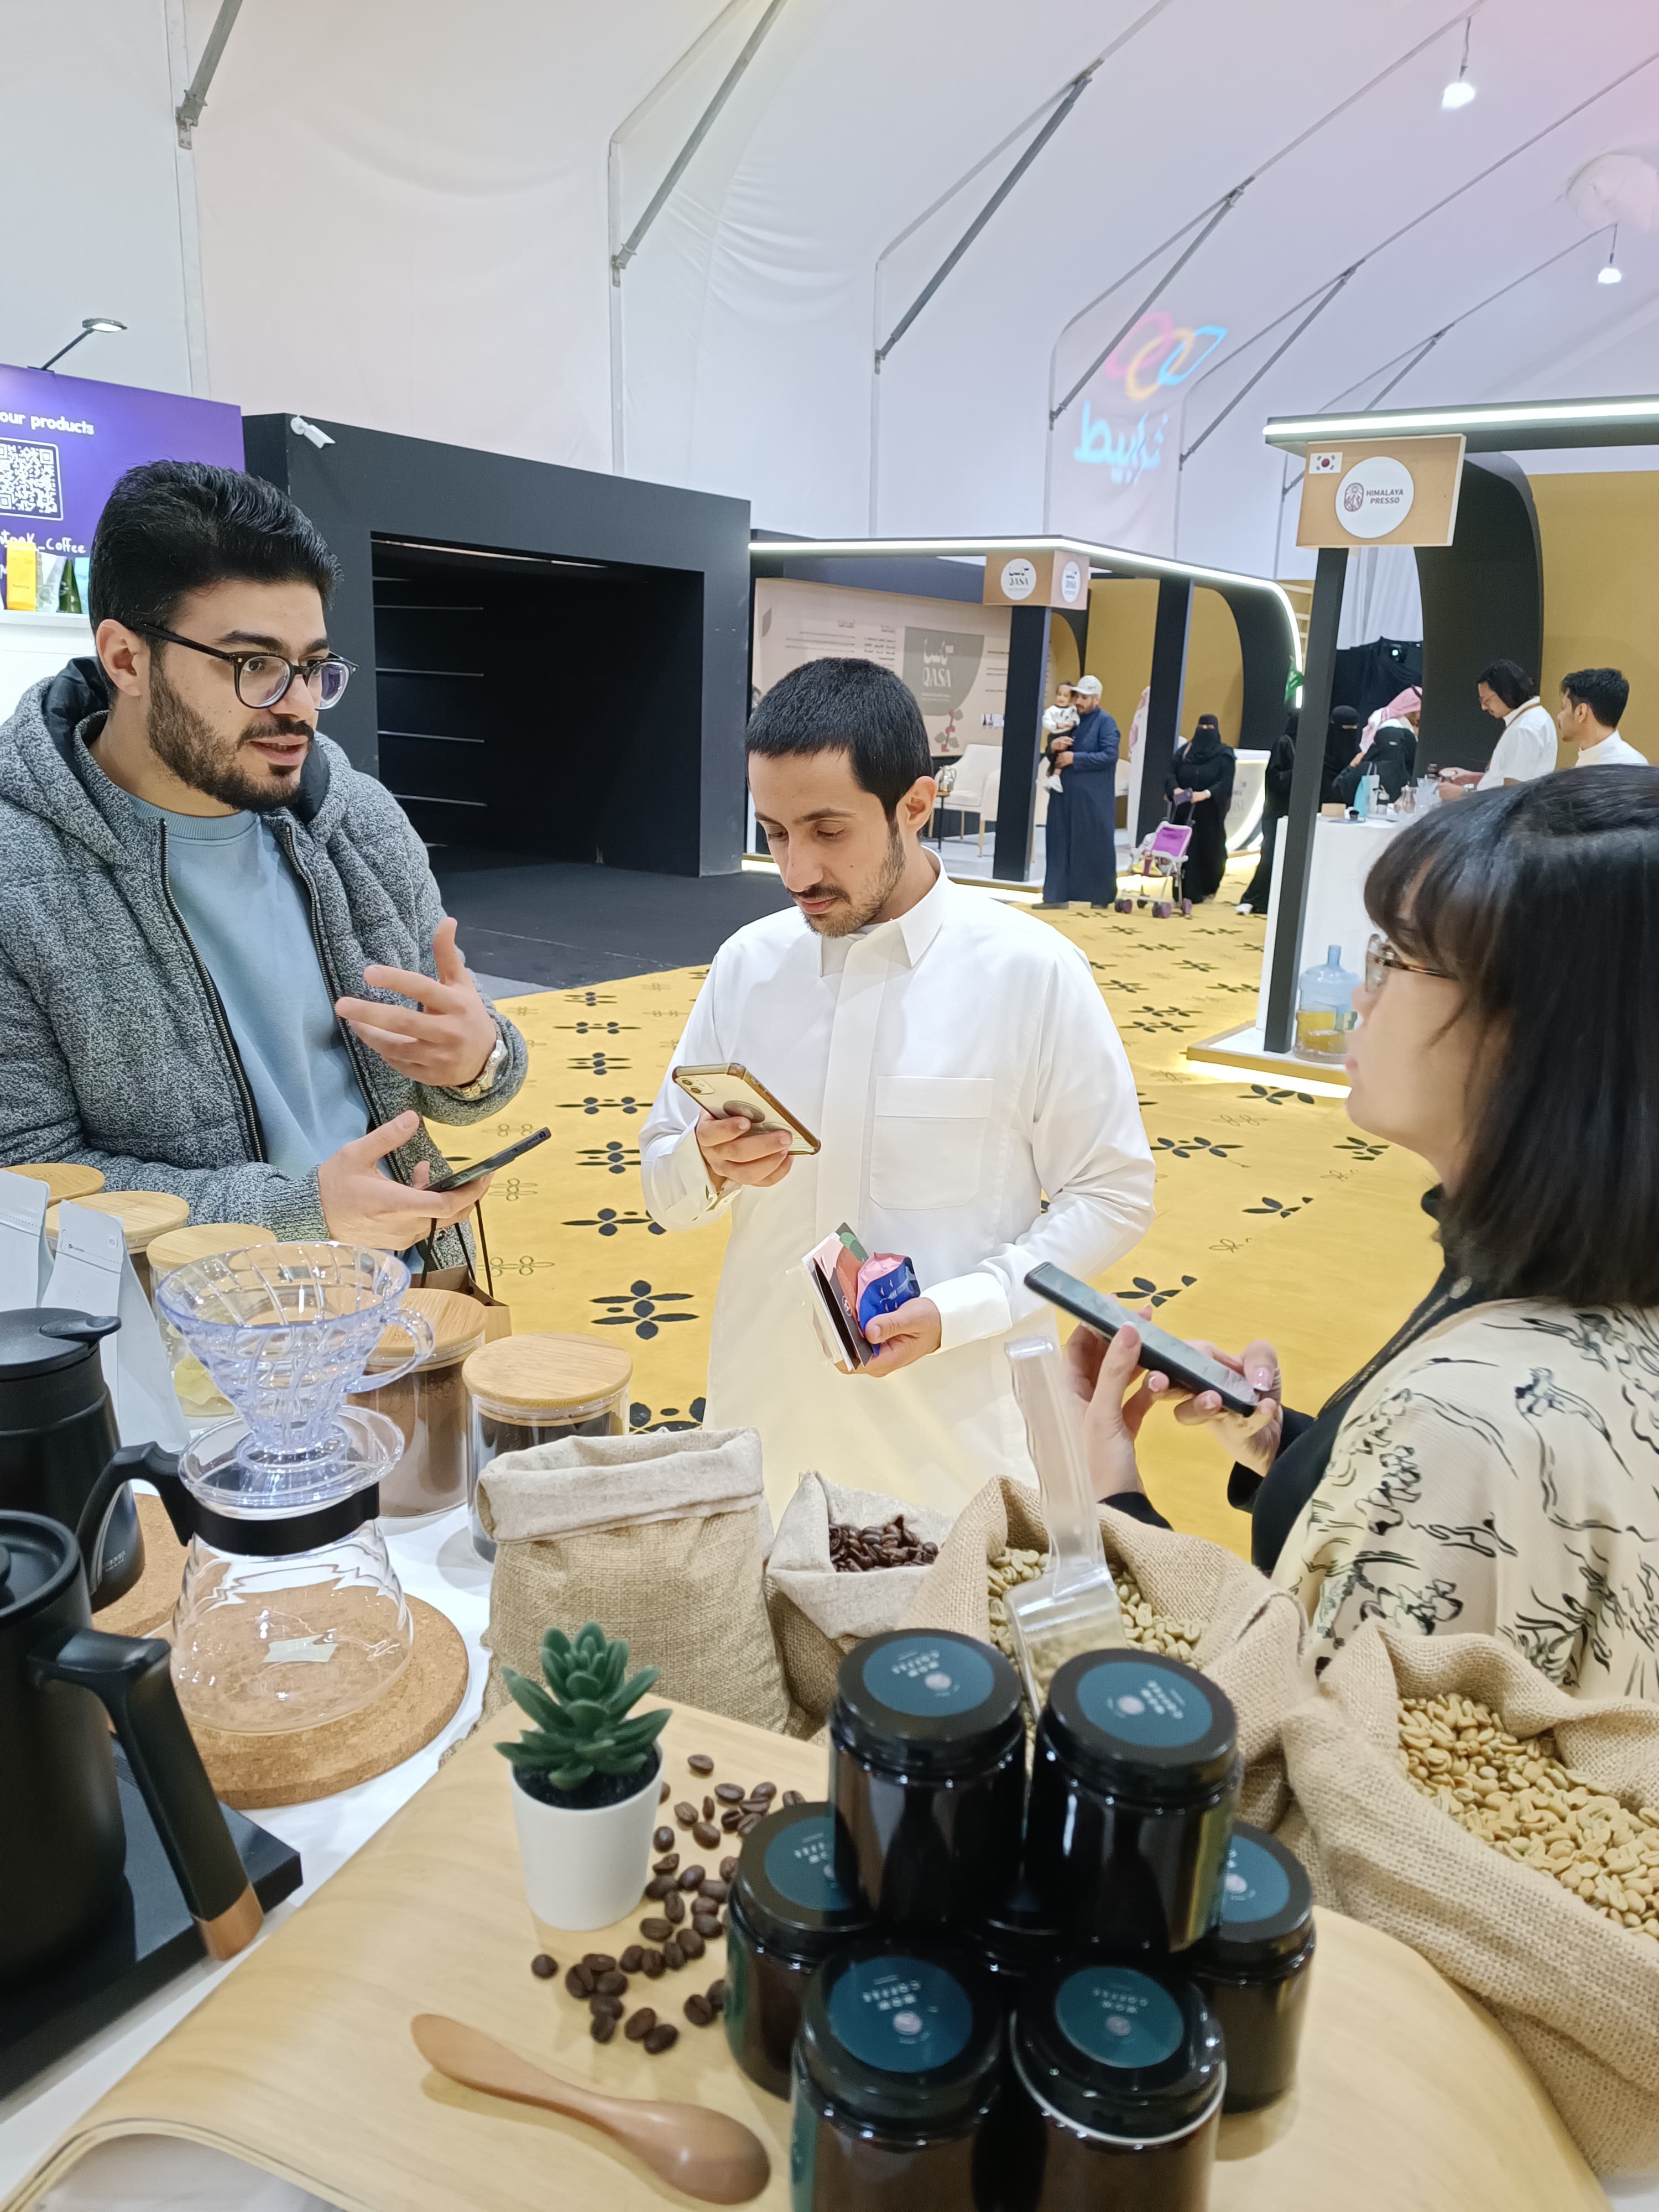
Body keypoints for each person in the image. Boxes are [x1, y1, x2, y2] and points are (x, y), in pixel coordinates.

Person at [1067, 769, 1659, 1698]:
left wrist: (1108, 1493)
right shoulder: (1564, 1269)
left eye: (1397, 959)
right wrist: (1307, 1454)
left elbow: (1290, 1734)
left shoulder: (1466, 1423)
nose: (1360, 996)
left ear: (1536, 1032)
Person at [640, 655, 1155, 1516]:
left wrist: (963, 1308)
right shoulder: (748, 966)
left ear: (915, 806)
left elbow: (1112, 1194)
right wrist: (707, 1161)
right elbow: (663, 1189)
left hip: (956, 1446)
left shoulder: (1030, 972)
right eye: (774, 832)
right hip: (768, 1425)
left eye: (827, 831)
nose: (795, 870)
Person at [0, 462, 526, 1257]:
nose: (299, 706)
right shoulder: (20, 877)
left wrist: (477, 1059)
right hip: (193, 1324)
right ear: (126, 660)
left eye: (312, 667)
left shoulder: (357, 820)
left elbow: (462, 1082)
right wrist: (300, 1214)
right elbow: (28, 1183)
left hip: (412, 1290)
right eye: (255, 665)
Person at [1040, 674, 1120, 907]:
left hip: (1092, 797)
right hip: (1064, 794)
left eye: (1085, 697)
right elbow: (1055, 752)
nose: (1079, 701)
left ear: (1096, 699)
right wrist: (1053, 747)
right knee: (1059, 842)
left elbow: (1110, 755)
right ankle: (1056, 896)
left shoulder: (1106, 722)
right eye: (1077, 696)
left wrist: (1075, 758)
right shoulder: (1070, 719)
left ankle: (1099, 896)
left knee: (1094, 844)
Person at [1436, 660, 1556, 793]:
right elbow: (1505, 781)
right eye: (1482, 701)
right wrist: (1475, 780)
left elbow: (1512, 794)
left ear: (1507, 692)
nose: (1484, 707)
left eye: (1487, 700)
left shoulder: (1524, 729)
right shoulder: (1530, 717)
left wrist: (1461, 794)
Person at [1165, 713, 1234, 902]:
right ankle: (1184, 892)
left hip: (1210, 813)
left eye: (1209, 729)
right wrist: (1176, 789)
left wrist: (1206, 793)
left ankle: (1207, 888)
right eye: (1201, 728)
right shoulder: (1185, 752)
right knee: (1185, 852)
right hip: (1185, 811)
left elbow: (1226, 781)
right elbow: (1170, 773)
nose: (1204, 732)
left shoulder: (1224, 754)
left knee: (1211, 851)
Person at [1238, 711, 1294, 916]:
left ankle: (1272, 901)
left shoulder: (1312, 747)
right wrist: (1300, 773)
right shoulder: (1284, 744)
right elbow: (1275, 778)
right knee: (1270, 856)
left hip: (1293, 812)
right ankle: (1253, 899)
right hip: (1277, 812)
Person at [1334, 687, 1417, 805]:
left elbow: (1337, 791)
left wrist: (1352, 766)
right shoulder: (1410, 778)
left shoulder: (1365, 768)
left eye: (1354, 727)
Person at [1557, 666, 1645, 768]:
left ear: (1581, 712)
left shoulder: (1633, 767)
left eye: (1563, 707)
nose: (1559, 716)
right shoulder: (1587, 757)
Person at [1319, 704, 1361, 804]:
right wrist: (1351, 767)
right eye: (1347, 729)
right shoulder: (1320, 757)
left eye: (1355, 728)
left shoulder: (1356, 752)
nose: (1352, 735)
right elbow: (1328, 795)